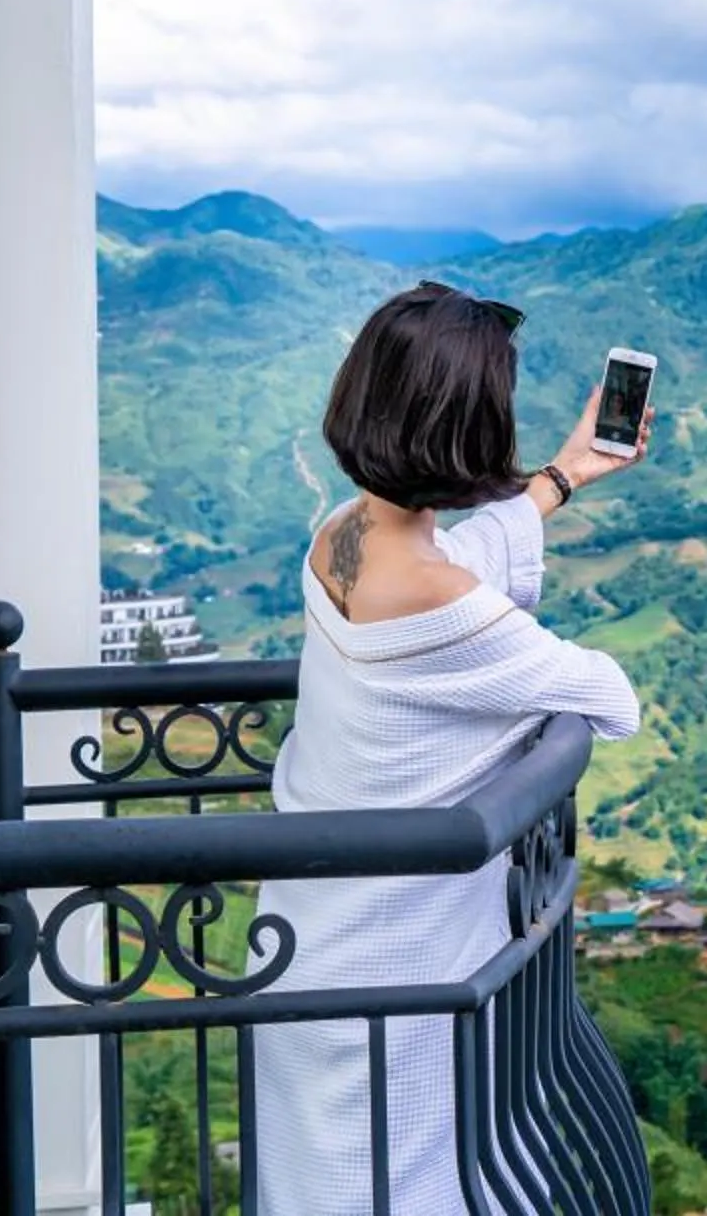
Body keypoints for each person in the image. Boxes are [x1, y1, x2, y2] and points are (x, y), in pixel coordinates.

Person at [249, 282, 646, 1215]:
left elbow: (446, 562)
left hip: (309, 945)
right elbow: (605, 697)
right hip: (399, 971)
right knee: (412, 1185)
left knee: (322, 1183)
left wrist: (562, 476)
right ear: (470, 430)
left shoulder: (338, 538)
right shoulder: (442, 606)